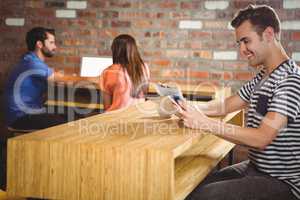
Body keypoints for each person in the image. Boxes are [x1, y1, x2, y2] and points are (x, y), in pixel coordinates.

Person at [175, 5, 300, 200]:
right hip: (256, 168)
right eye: (239, 43)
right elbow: (225, 105)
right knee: (193, 187)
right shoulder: (264, 77)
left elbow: (262, 138)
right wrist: (187, 106)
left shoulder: (290, 80)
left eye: (246, 41)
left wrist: (204, 123)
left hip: (282, 182)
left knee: (202, 197)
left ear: (268, 34)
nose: (242, 49)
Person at [4, 27, 97, 131]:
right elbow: (61, 78)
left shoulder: (31, 60)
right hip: (20, 116)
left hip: (30, 111)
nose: (55, 47)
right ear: (39, 44)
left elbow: (57, 80)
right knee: (69, 125)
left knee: (72, 115)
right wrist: (93, 79)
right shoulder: (32, 63)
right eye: (51, 43)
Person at [99, 34, 150, 111]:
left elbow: (107, 107)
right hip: (139, 116)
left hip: (117, 118)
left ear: (115, 51)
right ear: (134, 49)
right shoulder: (144, 67)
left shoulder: (108, 72)